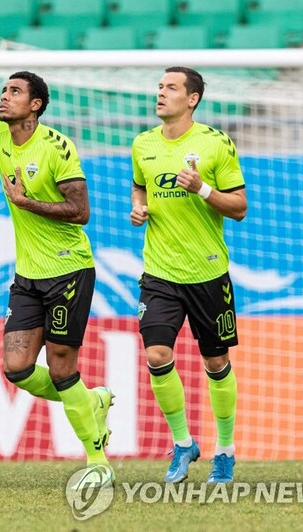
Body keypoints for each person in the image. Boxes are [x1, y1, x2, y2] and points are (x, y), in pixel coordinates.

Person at [0, 19, 113, 482]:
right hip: (28, 275)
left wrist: (28, 202)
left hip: (69, 271)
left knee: (62, 364)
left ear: (36, 105)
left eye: (14, 91)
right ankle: (91, 402)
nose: (3, 96)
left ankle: (96, 460)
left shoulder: (57, 148)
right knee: (17, 368)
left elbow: (80, 210)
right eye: (4, 89)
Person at [130, 66, 247, 484]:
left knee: (216, 362)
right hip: (159, 271)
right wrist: (139, 207)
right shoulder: (142, 143)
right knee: (156, 355)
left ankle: (226, 450)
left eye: (171, 88)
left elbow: (239, 207)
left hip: (208, 273)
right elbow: (140, 185)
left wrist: (200, 188)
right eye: (159, 86)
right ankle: (183, 444)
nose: (160, 93)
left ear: (192, 98)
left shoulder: (216, 144)